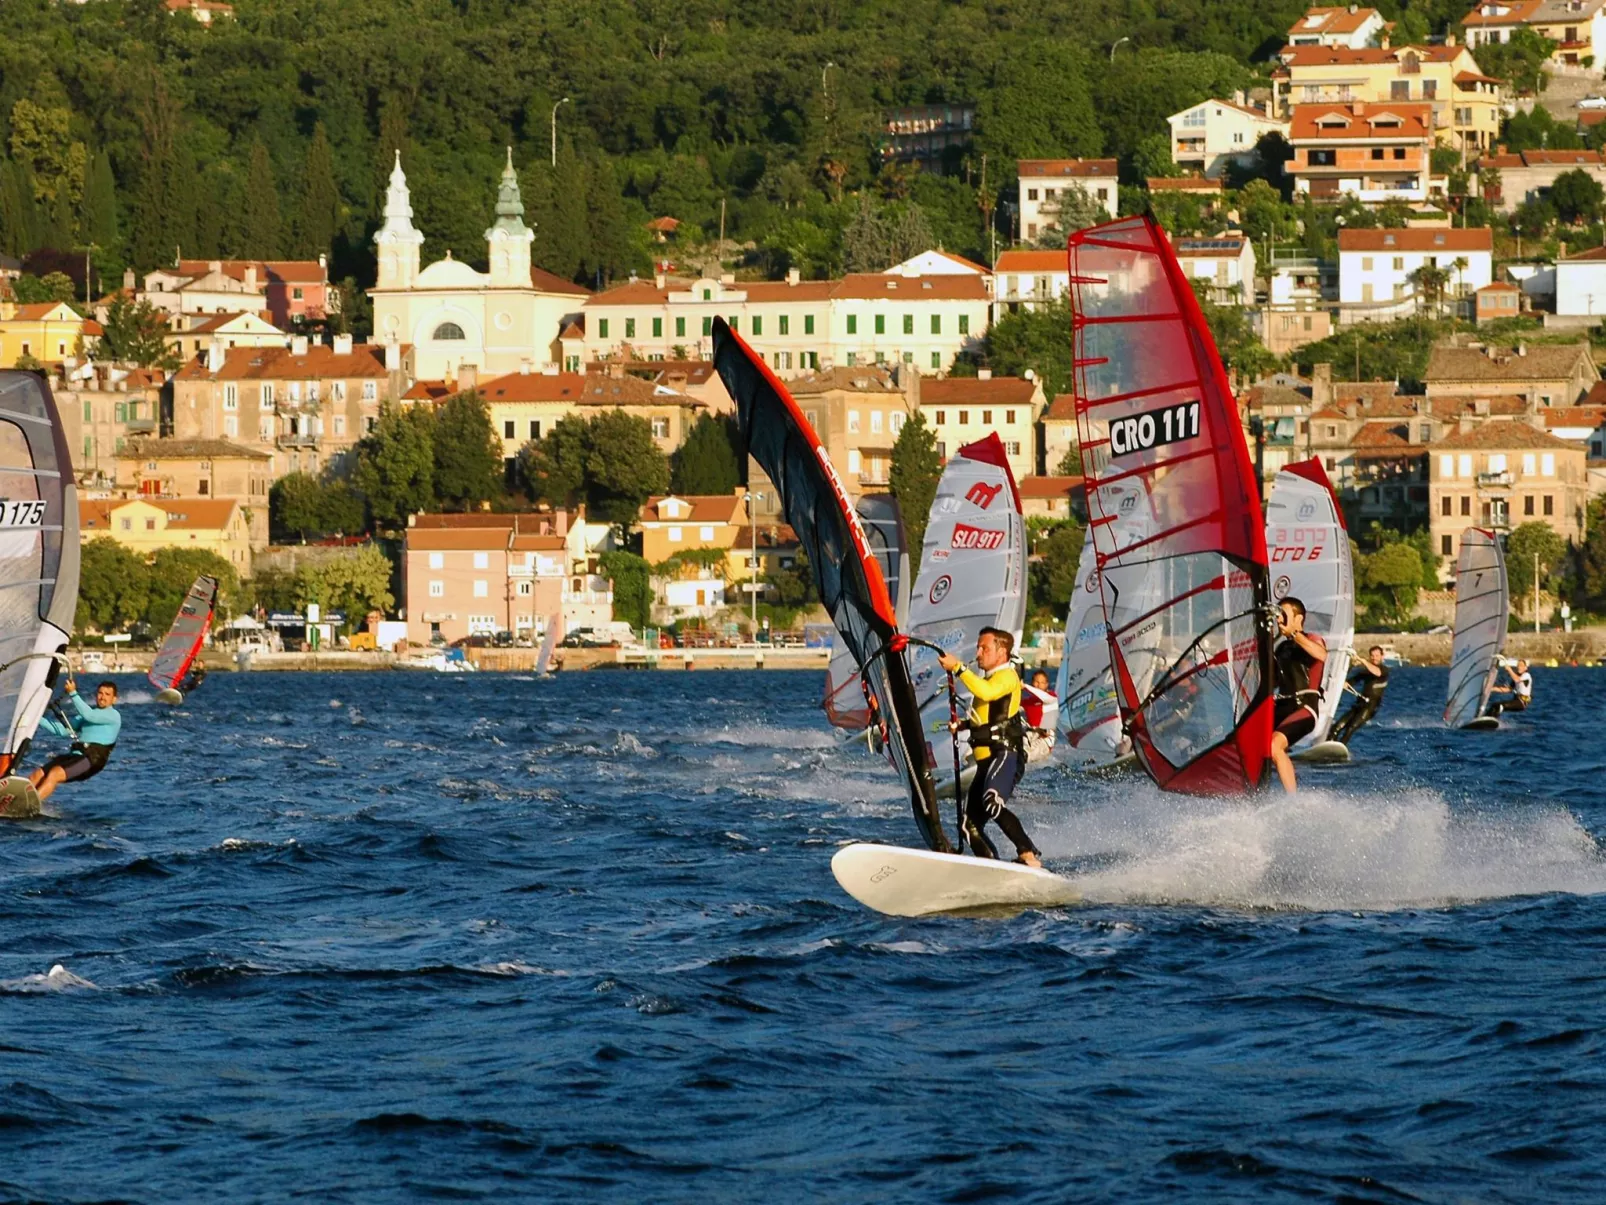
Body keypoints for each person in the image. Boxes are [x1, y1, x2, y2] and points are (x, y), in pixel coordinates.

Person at [938, 628, 1043, 867]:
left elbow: (987, 692)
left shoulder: (1007, 677)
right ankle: (991, 868)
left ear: (1001, 651)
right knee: (968, 825)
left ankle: (1028, 854)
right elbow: (985, 717)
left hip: (1005, 754)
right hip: (987, 761)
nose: (978, 653)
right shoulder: (988, 679)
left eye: (984, 648)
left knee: (992, 802)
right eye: (978, 647)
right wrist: (963, 724)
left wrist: (958, 668)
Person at [1269, 597, 1326, 795]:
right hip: (1281, 707)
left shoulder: (1312, 639)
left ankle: (1293, 801)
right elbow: (1272, 682)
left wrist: (1294, 634)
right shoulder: (1281, 648)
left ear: (1298, 618)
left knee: (1274, 744)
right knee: (1246, 741)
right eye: (1278, 617)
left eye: (1284, 616)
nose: (1279, 620)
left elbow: (1321, 655)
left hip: (1304, 708)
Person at [30, 679, 121, 802]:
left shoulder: (113, 715)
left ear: (114, 699)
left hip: (92, 759)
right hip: (75, 755)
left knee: (54, 774)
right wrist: (36, 717)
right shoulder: (87, 715)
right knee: (38, 774)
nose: (102, 697)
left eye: (107, 694)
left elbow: (90, 716)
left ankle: (30, 804)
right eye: (100, 693)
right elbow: (62, 730)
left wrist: (73, 693)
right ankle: (11, 801)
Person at [1332, 645, 1389, 745]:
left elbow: (1377, 673)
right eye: (1372, 655)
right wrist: (1351, 666)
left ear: (1382, 656)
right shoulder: (1366, 672)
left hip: (1371, 706)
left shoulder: (1384, 670)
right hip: (1360, 704)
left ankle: (1341, 746)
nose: (1374, 657)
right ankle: (1328, 746)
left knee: (1351, 728)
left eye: (1377, 655)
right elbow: (1347, 683)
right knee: (1336, 727)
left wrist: (1363, 661)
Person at [1021, 668, 1057, 761]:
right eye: (1036, 682)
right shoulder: (1028, 702)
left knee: (1025, 756)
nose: (1038, 685)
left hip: (1045, 740)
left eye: (1041, 682)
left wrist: (1025, 686)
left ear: (1047, 684)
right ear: (1033, 683)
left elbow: (1042, 696)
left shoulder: (1052, 698)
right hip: (1030, 736)